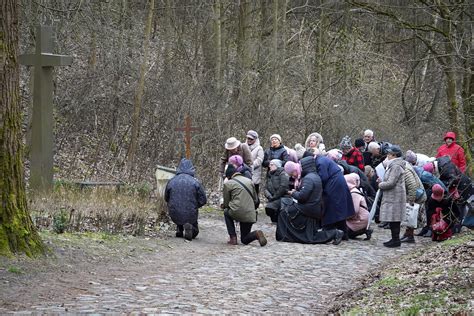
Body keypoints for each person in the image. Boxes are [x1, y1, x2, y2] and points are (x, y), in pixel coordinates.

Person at [276, 158, 343, 244]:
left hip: (307, 208)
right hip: (312, 207)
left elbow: (302, 196)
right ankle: (334, 233)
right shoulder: (313, 176)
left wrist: (293, 193)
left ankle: (286, 236)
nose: (292, 176)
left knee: (283, 213)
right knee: (310, 235)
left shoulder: (308, 178)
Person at [222, 164, 267, 246]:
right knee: (244, 239)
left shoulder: (228, 184)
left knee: (226, 212)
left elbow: (226, 203)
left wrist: (226, 206)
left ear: (228, 175)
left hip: (237, 212)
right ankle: (256, 233)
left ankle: (233, 238)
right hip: (250, 213)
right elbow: (256, 199)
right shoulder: (249, 181)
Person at [314, 150, 355, 240]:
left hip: (334, 184)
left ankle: (329, 231)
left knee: (331, 207)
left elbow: (323, 177)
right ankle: (343, 233)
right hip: (338, 183)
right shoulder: (323, 160)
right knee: (339, 209)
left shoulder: (320, 162)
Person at [165, 158, 207, 241]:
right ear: (191, 168)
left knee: (179, 208)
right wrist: (196, 205)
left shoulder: (171, 181)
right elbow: (203, 199)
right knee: (194, 230)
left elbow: (166, 198)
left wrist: (172, 204)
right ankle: (189, 227)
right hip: (191, 212)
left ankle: (179, 228)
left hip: (174, 212)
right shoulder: (195, 182)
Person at [377, 145, 406, 248]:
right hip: (393, 196)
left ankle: (396, 240)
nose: (387, 155)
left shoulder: (396, 166)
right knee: (393, 219)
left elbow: (391, 183)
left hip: (395, 197)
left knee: (395, 219)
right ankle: (394, 239)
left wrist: (380, 185)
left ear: (394, 155)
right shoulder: (394, 165)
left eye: (389, 153)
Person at [400, 161, 426, 243]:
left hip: (417, 197)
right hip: (416, 196)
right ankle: (407, 234)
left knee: (411, 217)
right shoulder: (405, 168)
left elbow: (412, 186)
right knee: (410, 217)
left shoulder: (406, 170)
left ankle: (410, 235)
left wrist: (410, 200)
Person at [344, 173, 372, 240]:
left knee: (343, 233)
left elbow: (354, 211)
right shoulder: (354, 191)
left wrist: (345, 217)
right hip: (361, 218)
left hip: (360, 219)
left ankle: (363, 230)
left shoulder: (354, 193)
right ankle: (363, 230)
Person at [264, 159, 290, 224]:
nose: (269, 166)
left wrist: (274, 197)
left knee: (271, 207)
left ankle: (278, 221)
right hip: (272, 197)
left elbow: (283, 187)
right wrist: (269, 196)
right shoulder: (269, 174)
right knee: (269, 208)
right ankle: (275, 221)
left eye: (272, 165)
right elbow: (266, 187)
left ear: (277, 166)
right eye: (269, 164)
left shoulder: (283, 174)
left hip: (282, 197)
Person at [245, 130, 264, 194]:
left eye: (251, 139)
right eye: (248, 138)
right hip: (244, 172)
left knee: (254, 192)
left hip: (254, 173)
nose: (249, 140)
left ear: (255, 139)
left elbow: (259, 160)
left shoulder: (259, 148)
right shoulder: (243, 146)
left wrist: (251, 165)